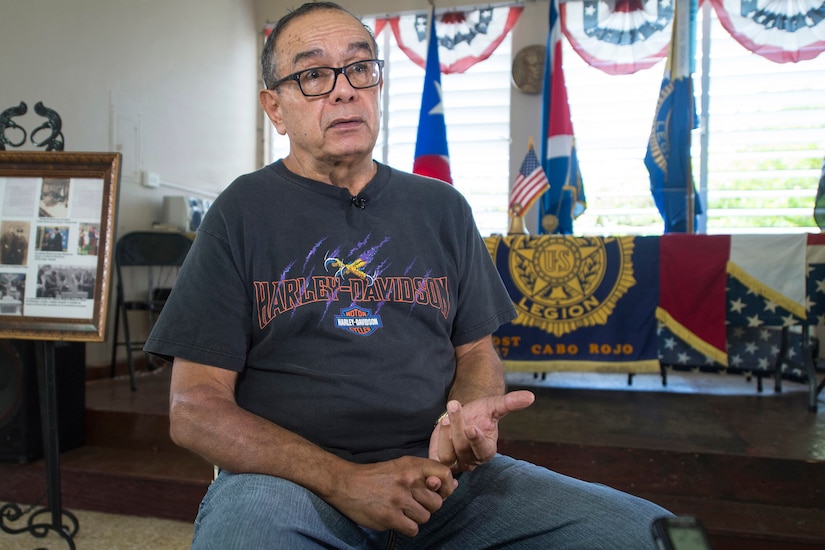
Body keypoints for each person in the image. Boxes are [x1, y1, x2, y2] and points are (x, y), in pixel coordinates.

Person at [144, 3, 672, 548]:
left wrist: (466, 418)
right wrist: (345, 481)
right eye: (313, 75)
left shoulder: (442, 208)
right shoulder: (240, 213)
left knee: (654, 534)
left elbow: (476, 353)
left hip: (443, 483)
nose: (344, 90)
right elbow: (194, 409)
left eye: (359, 68)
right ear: (274, 108)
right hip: (288, 485)